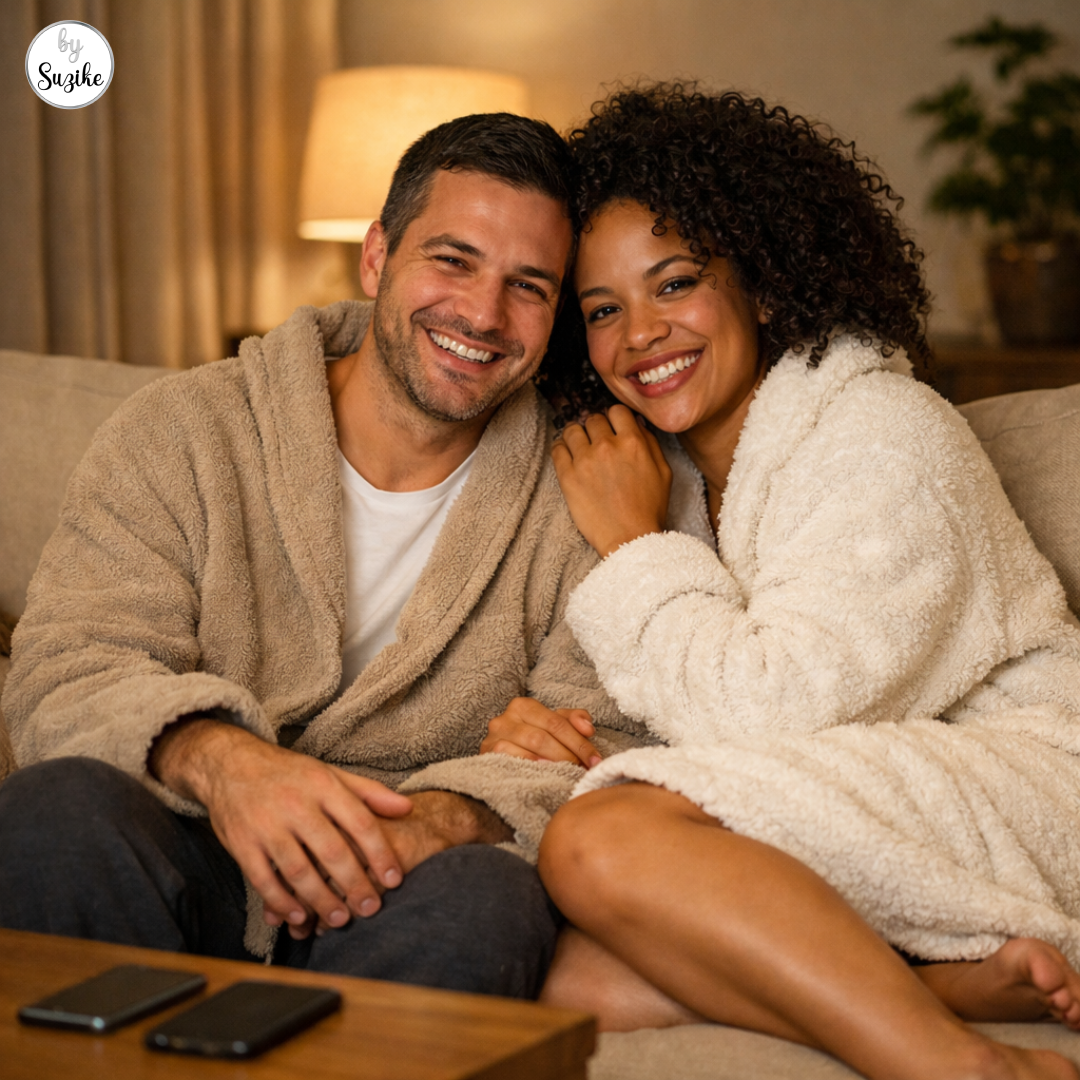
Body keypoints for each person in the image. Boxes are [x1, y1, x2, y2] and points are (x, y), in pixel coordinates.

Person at [486, 85, 1080, 1078]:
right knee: (578, 977)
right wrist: (547, 731)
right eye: (602, 309)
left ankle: (954, 1060)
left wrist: (635, 549)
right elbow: (672, 706)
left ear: (760, 282)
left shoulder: (884, 433)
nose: (640, 335)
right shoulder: (671, 471)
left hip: (1030, 791)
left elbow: (770, 712)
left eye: (674, 284)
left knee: (599, 844)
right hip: (874, 792)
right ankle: (931, 988)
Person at [0, 112, 642, 997]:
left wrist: (442, 816)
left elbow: (604, 739)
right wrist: (229, 764)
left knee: (485, 896)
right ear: (377, 256)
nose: (483, 315)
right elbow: (63, 666)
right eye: (452, 260)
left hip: (398, 868)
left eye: (528, 285)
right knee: (53, 811)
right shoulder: (183, 431)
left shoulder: (585, 483)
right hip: (189, 834)